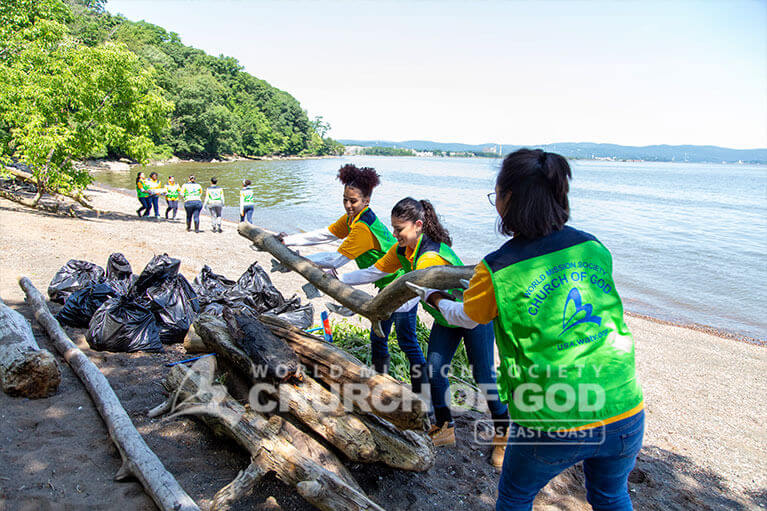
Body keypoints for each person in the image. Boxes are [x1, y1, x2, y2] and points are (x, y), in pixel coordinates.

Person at [424, 149, 644, 510]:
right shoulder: (593, 246)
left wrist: (434, 299)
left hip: (552, 415)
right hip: (624, 405)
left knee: (514, 497)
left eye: (497, 195)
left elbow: (468, 317)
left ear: (508, 199)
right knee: (610, 495)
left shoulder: (497, 268)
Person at [338, 197, 510, 461]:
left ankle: (504, 434)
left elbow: (409, 297)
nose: (395, 235)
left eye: (400, 229)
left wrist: (367, 306)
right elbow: (374, 272)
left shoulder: (428, 259)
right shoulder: (403, 250)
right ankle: (445, 426)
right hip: (445, 319)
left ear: (418, 225)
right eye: (393, 229)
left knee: (483, 377)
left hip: (474, 318)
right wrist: (335, 278)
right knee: (434, 370)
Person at [280, 164, 426, 392]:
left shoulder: (364, 227)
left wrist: (297, 258)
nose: (348, 205)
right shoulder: (353, 219)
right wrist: (288, 241)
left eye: (354, 201)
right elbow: (326, 234)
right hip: (385, 287)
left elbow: (334, 259)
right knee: (378, 337)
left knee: (406, 341)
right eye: (345, 199)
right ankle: (382, 384)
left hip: (402, 287)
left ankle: (421, 391)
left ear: (367, 200)